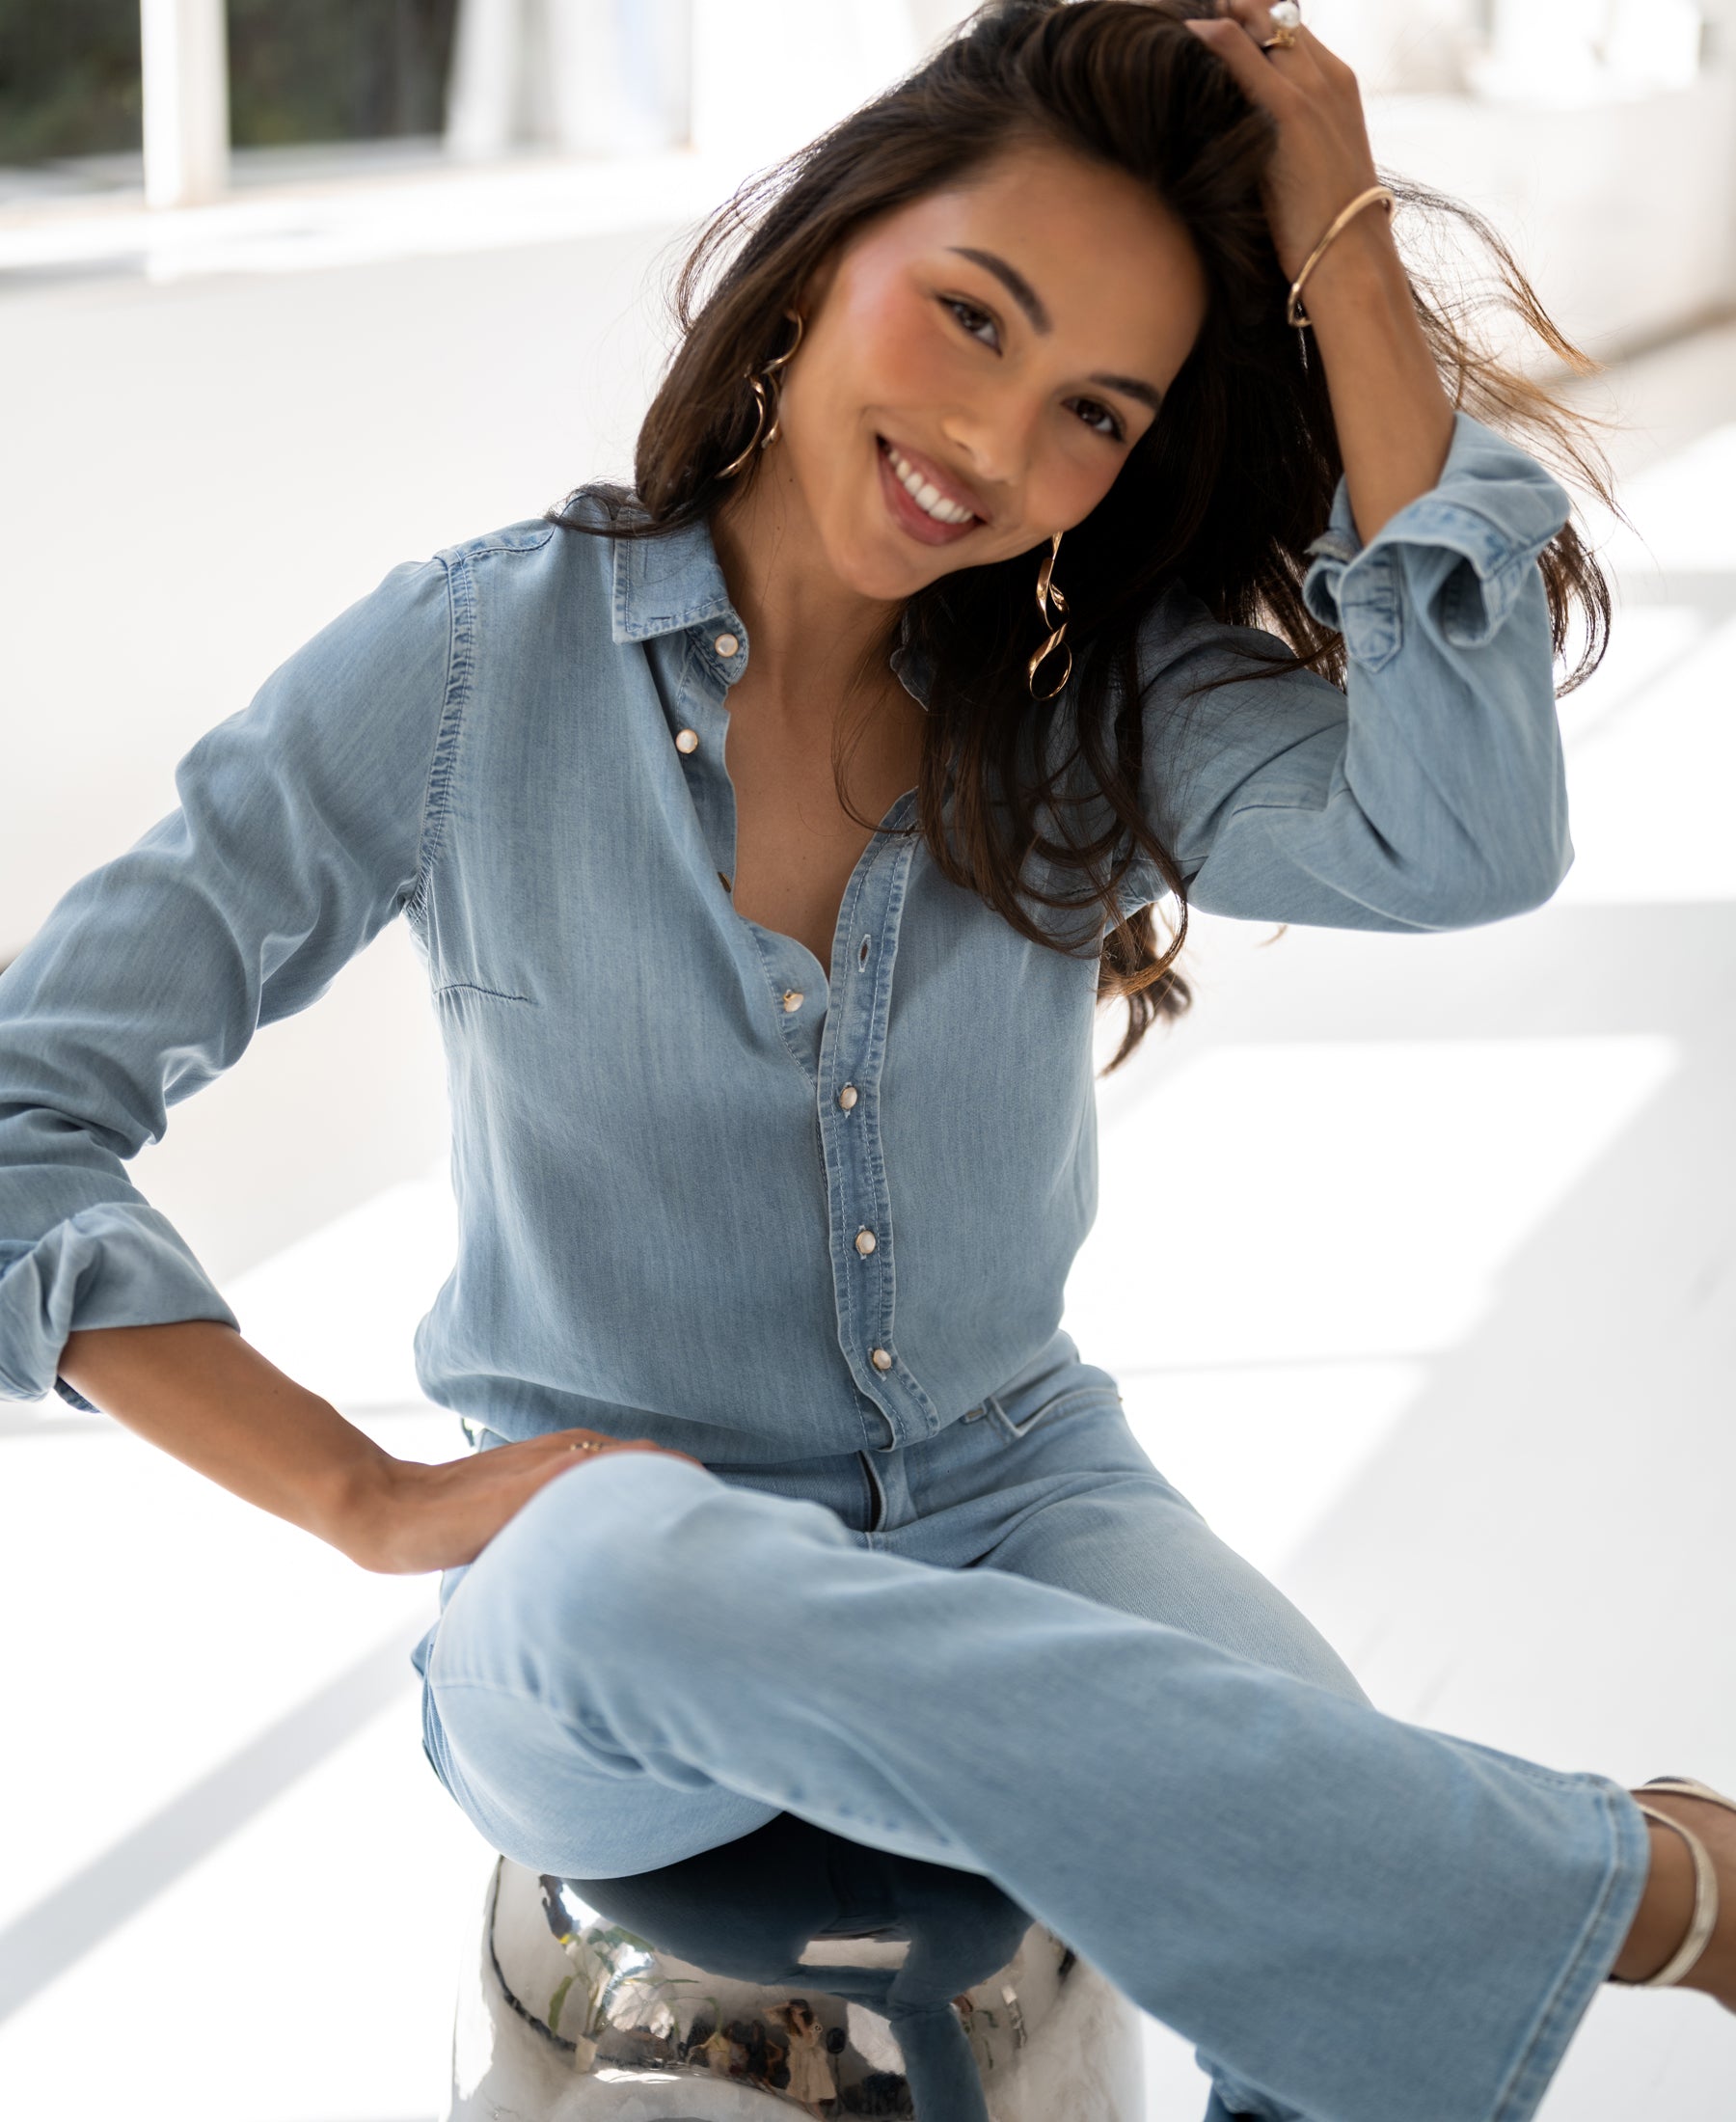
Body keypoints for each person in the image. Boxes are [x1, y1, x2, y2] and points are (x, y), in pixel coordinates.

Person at [0, 6, 1729, 2119]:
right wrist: (370, 1493)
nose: (997, 445)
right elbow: (26, 1115)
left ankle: (1537, 1877)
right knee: (636, 1566)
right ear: (825, 253)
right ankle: (1654, 1879)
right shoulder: (468, 663)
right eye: (973, 317)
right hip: (610, 1584)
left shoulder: (1097, 695)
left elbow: (1470, 835)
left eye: (1094, 406)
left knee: (1372, 1982)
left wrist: (1345, 247)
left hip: (1029, 1499)